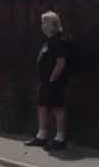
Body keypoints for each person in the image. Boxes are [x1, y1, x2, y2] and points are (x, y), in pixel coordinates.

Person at [25, 11, 73, 151]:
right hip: (46, 81)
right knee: (42, 107)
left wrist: (53, 78)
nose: (42, 25)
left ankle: (60, 138)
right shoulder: (49, 41)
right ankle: (42, 136)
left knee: (58, 108)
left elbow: (61, 62)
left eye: (44, 22)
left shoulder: (59, 41)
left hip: (55, 81)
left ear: (52, 24)